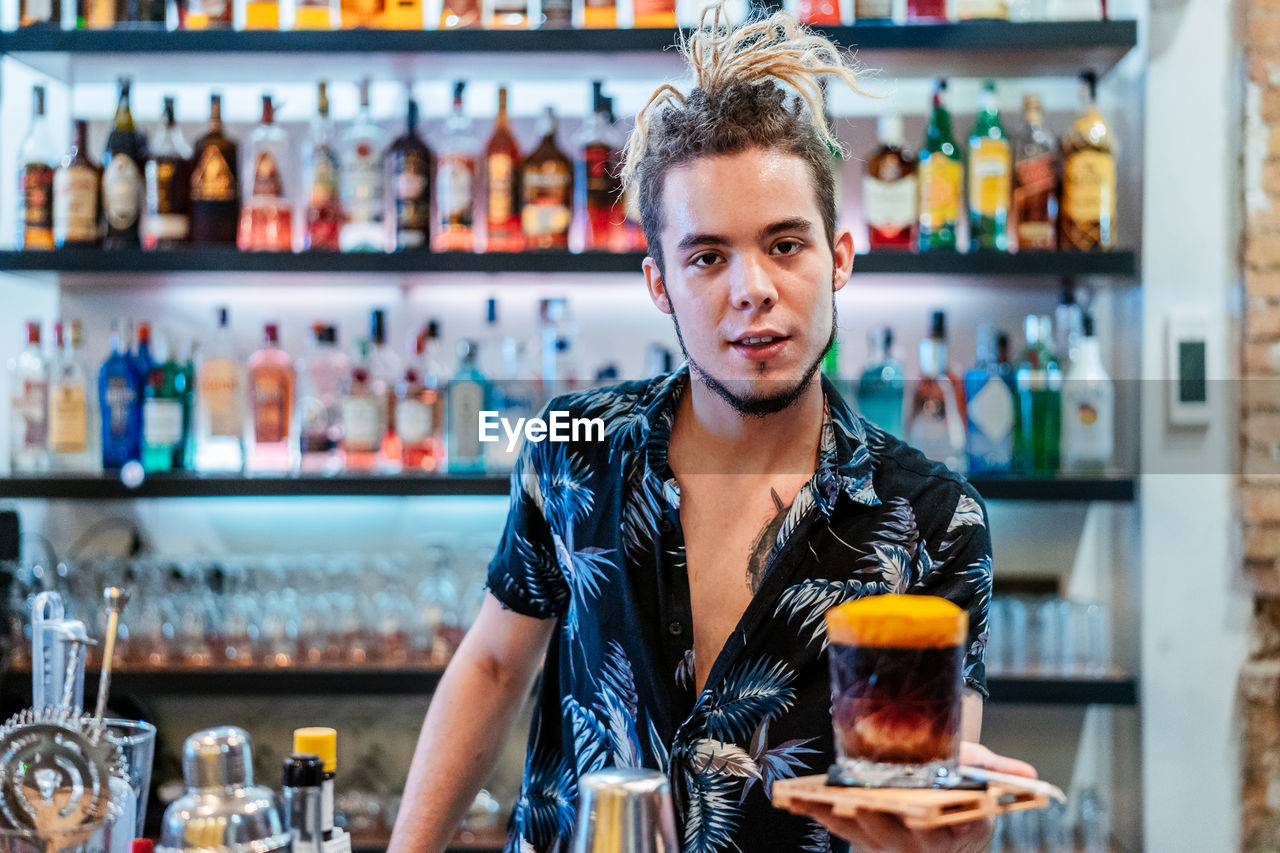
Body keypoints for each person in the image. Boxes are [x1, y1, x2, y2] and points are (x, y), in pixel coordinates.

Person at [388, 7, 1035, 852]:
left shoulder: (935, 518)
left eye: (785, 245)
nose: (752, 290)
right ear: (659, 281)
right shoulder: (574, 444)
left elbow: (935, 784)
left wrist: (947, 830)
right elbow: (493, 665)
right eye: (707, 256)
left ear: (840, 257)